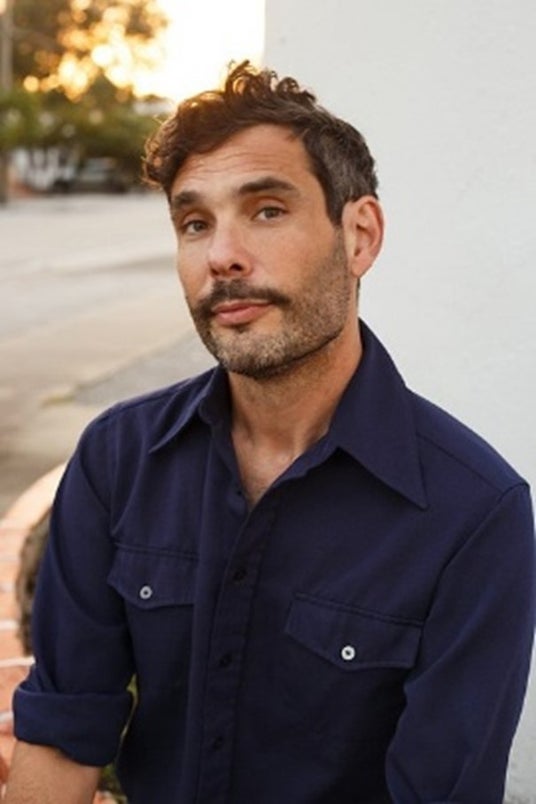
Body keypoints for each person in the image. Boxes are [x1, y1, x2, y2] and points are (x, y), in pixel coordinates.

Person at [5, 62, 535, 804]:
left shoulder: (473, 513)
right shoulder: (118, 458)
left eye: (266, 210)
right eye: (195, 224)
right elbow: (64, 733)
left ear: (359, 236)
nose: (220, 255)